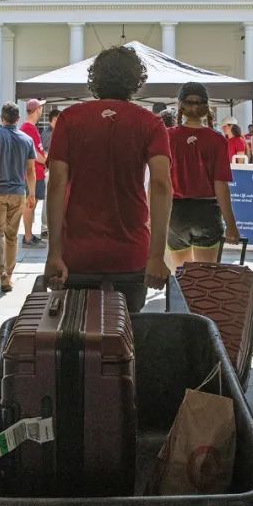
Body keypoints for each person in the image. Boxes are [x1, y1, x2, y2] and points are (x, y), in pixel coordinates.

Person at [45, 45, 172, 310]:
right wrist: (157, 256)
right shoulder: (150, 123)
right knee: (127, 335)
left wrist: (54, 253)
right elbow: (161, 185)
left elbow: (56, 182)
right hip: (131, 252)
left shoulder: (70, 119)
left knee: (78, 338)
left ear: (95, 79)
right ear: (136, 81)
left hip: (78, 253)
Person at [166, 82, 240, 267]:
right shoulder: (217, 140)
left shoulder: (167, 136)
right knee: (205, 277)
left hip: (175, 213)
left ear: (180, 105)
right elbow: (221, 186)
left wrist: (151, 217)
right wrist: (231, 224)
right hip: (207, 212)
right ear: (206, 107)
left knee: (182, 277)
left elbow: (159, 182)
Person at [0, 102, 37, 293]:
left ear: (2, 118)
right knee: (11, 235)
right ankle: (10, 275)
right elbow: (30, 170)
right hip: (17, 192)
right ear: (17, 119)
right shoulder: (27, 140)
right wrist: (32, 193)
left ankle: (2, 273)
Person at [19, 98, 47, 248]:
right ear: (37, 110)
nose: (42, 110)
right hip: (33, 174)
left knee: (32, 204)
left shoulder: (30, 128)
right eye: (41, 108)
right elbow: (36, 154)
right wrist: (46, 160)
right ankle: (28, 238)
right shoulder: (28, 128)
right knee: (30, 204)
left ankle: (29, 235)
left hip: (37, 173)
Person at [39, 109, 60, 240]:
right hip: (49, 170)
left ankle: (50, 227)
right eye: (58, 119)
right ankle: (45, 228)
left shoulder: (57, 133)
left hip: (55, 169)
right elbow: (45, 153)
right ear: (53, 120)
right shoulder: (48, 134)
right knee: (48, 199)